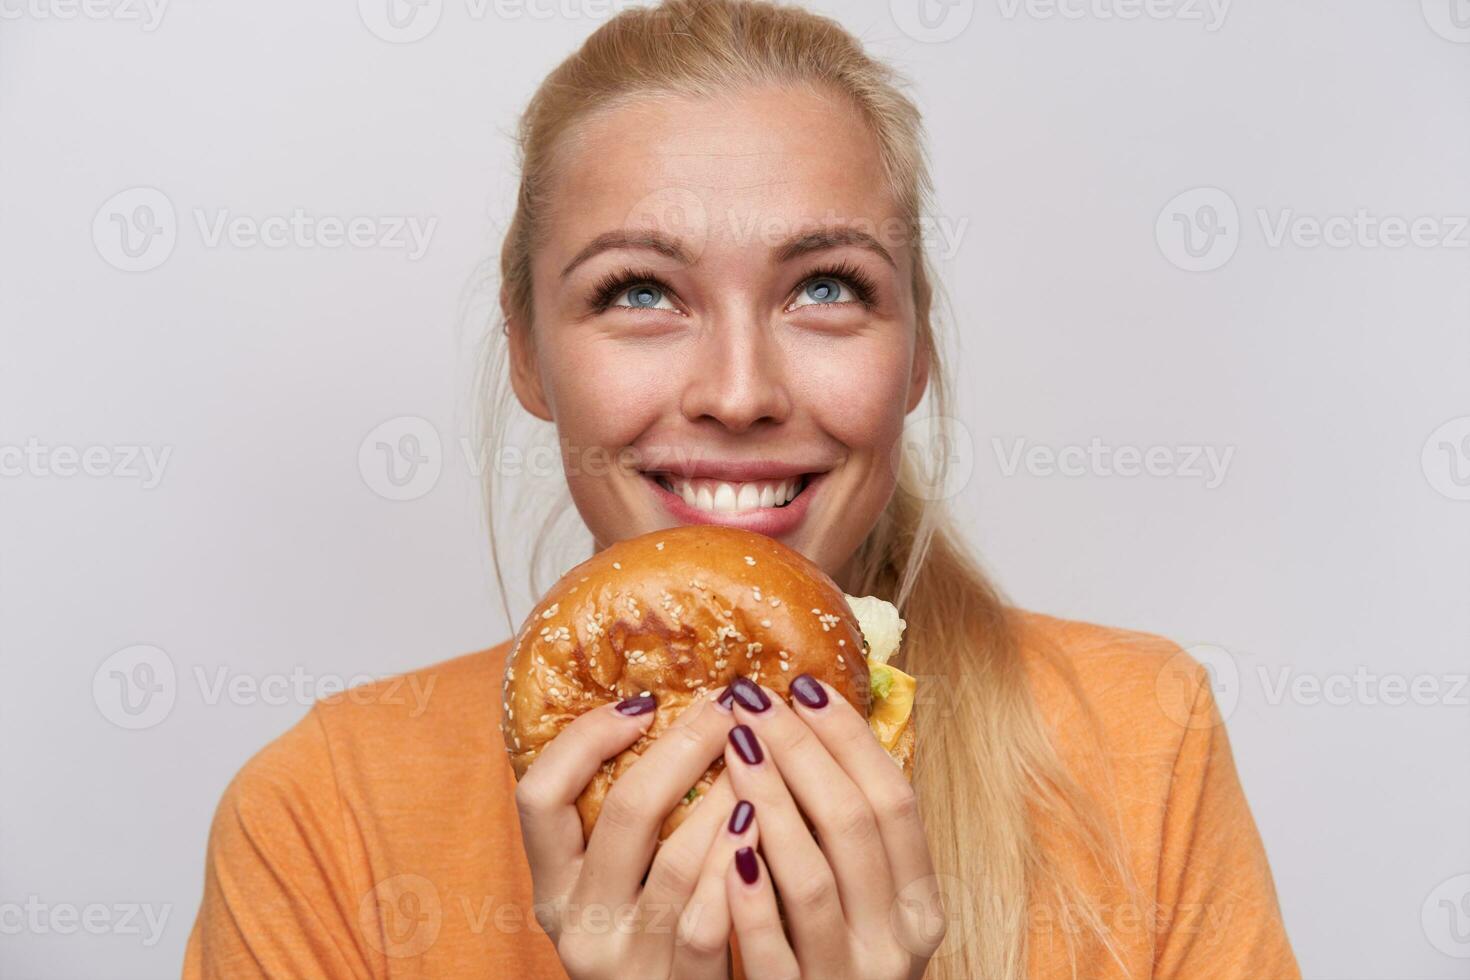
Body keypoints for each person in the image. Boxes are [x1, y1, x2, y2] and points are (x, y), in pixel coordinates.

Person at [182, 2, 1298, 977]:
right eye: (638, 292)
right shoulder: (326, 817)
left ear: (915, 352)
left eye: (825, 286)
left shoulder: (1139, 741)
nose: (738, 390)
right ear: (528, 352)